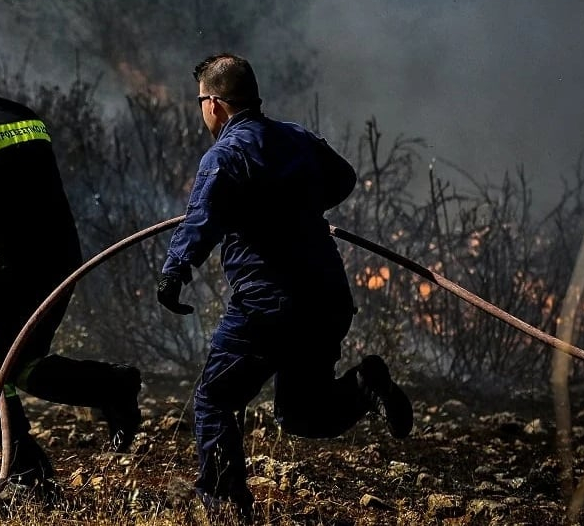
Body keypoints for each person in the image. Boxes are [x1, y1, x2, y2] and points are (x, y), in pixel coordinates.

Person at [156, 53, 413, 521]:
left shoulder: (225, 154)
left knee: (214, 401)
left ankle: (228, 509)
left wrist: (173, 273)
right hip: (327, 298)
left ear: (215, 103)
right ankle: (365, 384)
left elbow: (201, 220)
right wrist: (300, 206)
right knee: (302, 413)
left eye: (200, 102)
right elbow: (344, 177)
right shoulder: (295, 136)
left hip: (269, 304)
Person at [0, 39, 142, 497]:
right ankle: (111, 387)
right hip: (60, 258)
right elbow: (6, 185)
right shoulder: (24, 117)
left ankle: (25, 471)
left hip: (9, 263)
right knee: (22, 365)